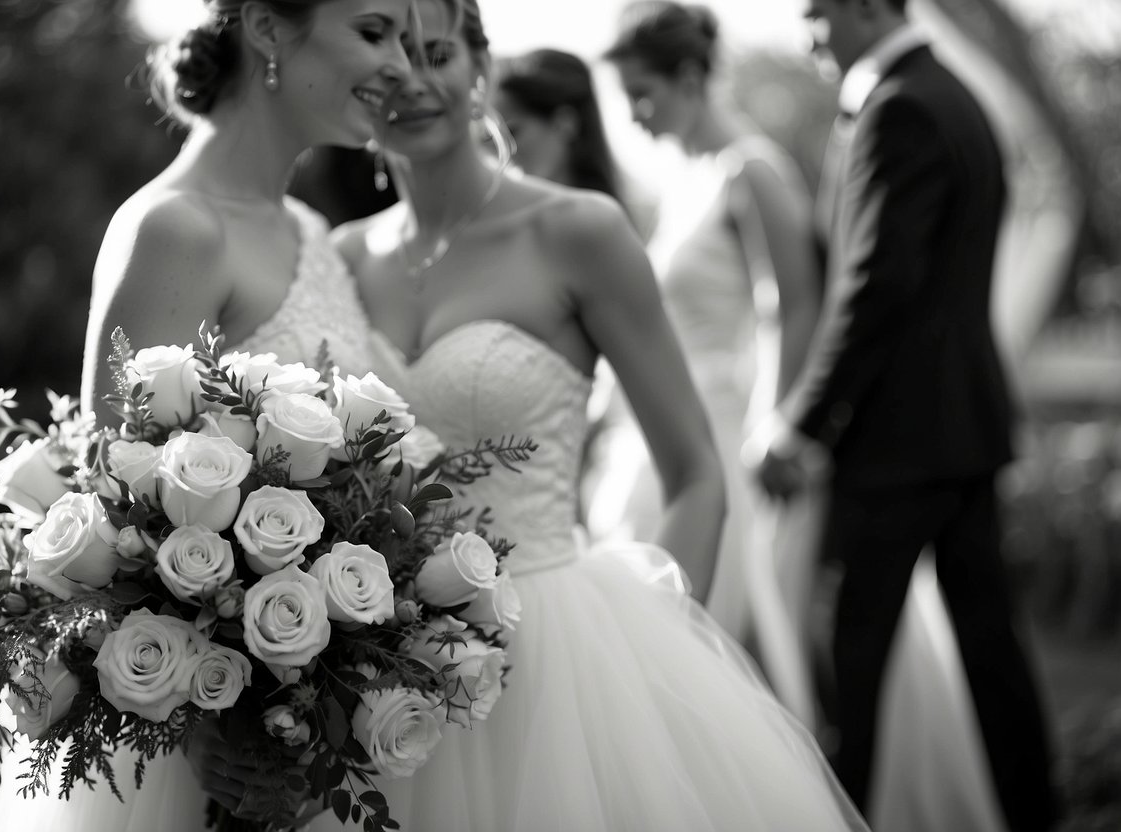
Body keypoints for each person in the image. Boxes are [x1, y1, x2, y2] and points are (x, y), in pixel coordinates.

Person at [302, 1, 870, 828]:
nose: (412, 82)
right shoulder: (340, 257)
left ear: (480, 69)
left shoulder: (577, 232)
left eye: (436, 54)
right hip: (373, 662)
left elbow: (694, 475)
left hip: (552, 648)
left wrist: (658, 666)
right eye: (386, 60)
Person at [0, 1, 412, 830]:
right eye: (375, 32)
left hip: (288, 707)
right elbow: (112, 507)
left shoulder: (309, 229)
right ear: (270, 29)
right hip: (197, 740)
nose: (404, 71)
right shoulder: (175, 228)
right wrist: (199, 710)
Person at [750, 2, 1059, 831]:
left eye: (815, 14)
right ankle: (1036, 813)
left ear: (865, 6)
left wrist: (801, 425)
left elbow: (877, 286)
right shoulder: (951, 95)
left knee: (848, 658)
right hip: (963, 430)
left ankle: (841, 816)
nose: (807, 33)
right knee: (990, 652)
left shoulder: (901, 108)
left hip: (899, 447)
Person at [595, 0, 824, 705]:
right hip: (664, 425)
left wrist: (773, 424)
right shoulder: (681, 181)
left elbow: (789, 307)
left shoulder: (751, 170)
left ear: (690, 77)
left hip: (732, 430)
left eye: (642, 92)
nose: (632, 113)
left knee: (717, 640)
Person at [491, 49, 623, 204]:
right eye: (494, 137)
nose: (503, 151)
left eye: (513, 132)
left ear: (565, 123)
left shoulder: (613, 216)